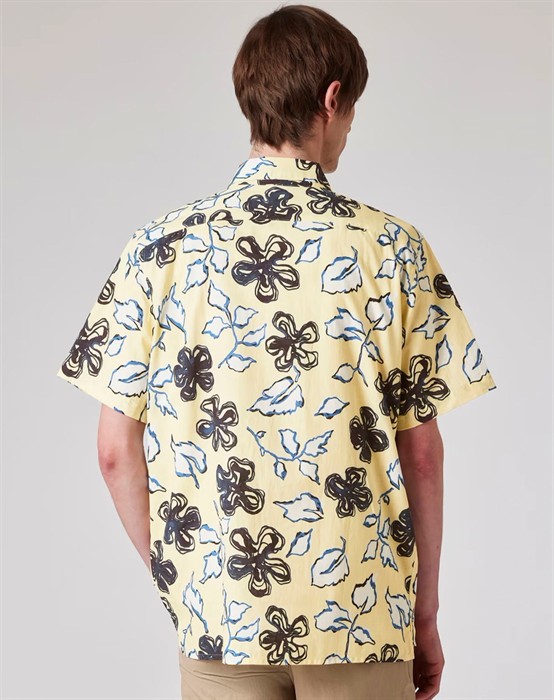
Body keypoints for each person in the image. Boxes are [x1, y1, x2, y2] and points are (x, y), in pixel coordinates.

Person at [56, 4, 497, 700]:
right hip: (360, 614)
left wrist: (187, 584)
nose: (349, 128)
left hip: (221, 616)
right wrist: (425, 615)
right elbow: (421, 455)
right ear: (332, 98)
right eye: (352, 109)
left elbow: (115, 452)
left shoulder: (159, 248)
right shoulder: (391, 248)